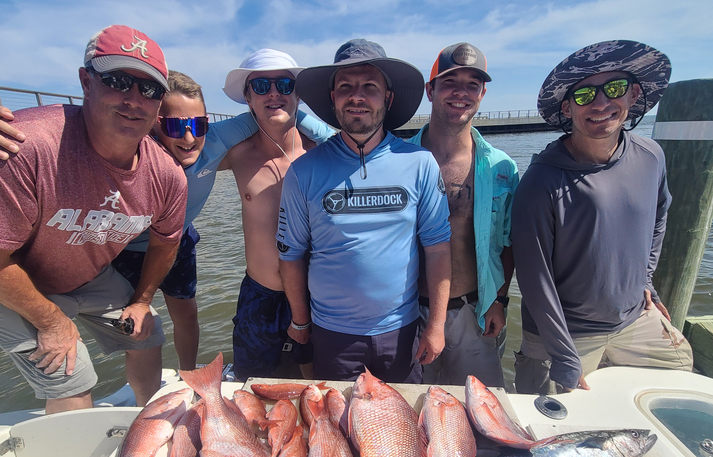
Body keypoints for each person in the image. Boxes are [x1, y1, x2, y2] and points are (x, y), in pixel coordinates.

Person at [0, 61, 331, 374]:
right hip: (121, 244)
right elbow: (75, 126)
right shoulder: (134, 144)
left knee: (184, 311)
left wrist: (334, 136)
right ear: (153, 121)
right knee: (134, 326)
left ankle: (188, 373)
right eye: (173, 126)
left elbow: (266, 113)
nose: (187, 137)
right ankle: (137, 393)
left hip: (176, 238)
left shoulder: (214, 139)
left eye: (197, 125)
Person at [0, 25, 188, 412]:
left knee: (146, 331)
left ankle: (145, 418)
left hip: (77, 267)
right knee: (70, 370)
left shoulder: (167, 175)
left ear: (159, 103)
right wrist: (53, 322)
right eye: (118, 81)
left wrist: (141, 301)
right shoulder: (17, 146)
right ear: (86, 81)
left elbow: (166, 243)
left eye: (149, 89)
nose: (134, 100)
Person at [511, 39, 693, 395]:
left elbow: (660, 213)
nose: (600, 104)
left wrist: (647, 280)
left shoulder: (651, 155)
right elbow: (534, 278)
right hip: (563, 332)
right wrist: (564, 355)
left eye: (614, 89)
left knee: (680, 389)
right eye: (584, 96)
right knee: (552, 427)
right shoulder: (540, 181)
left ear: (633, 94)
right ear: (568, 107)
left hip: (635, 320)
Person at [277, 39, 452, 383]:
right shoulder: (303, 171)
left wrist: (436, 325)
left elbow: (438, 248)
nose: (357, 96)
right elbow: (291, 255)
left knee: (402, 430)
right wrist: (300, 321)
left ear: (387, 97)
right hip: (332, 336)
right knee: (339, 432)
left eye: (369, 86)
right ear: (333, 98)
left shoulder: (420, 163)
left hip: (402, 331)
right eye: (345, 87)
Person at [219, 49, 335, 381]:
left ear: (299, 94)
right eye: (261, 86)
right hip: (259, 293)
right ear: (247, 97)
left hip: (316, 293)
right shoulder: (234, 154)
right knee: (250, 387)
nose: (274, 93)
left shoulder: (323, 154)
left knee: (318, 387)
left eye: (285, 84)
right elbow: (178, 154)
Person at [408, 43, 519, 388]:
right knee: (409, 412)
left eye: (473, 84)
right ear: (431, 90)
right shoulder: (398, 160)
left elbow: (508, 243)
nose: (461, 92)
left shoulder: (502, 167)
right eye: (450, 81)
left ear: (483, 93)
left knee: (478, 416)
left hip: (476, 310)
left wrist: (499, 300)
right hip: (409, 313)